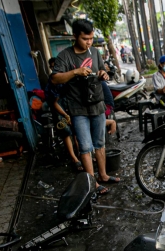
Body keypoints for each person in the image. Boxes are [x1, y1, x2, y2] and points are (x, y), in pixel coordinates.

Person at [51, 19, 119, 196]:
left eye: (90, 38)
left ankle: (103, 175)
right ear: (74, 36)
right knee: (85, 146)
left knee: (100, 143)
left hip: (97, 104)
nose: (88, 42)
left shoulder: (95, 52)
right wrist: (75, 72)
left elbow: (103, 70)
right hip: (78, 108)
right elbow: (55, 78)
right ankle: (92, 183)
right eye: (84, 38)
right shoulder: (65, 56)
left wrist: (104, 73)